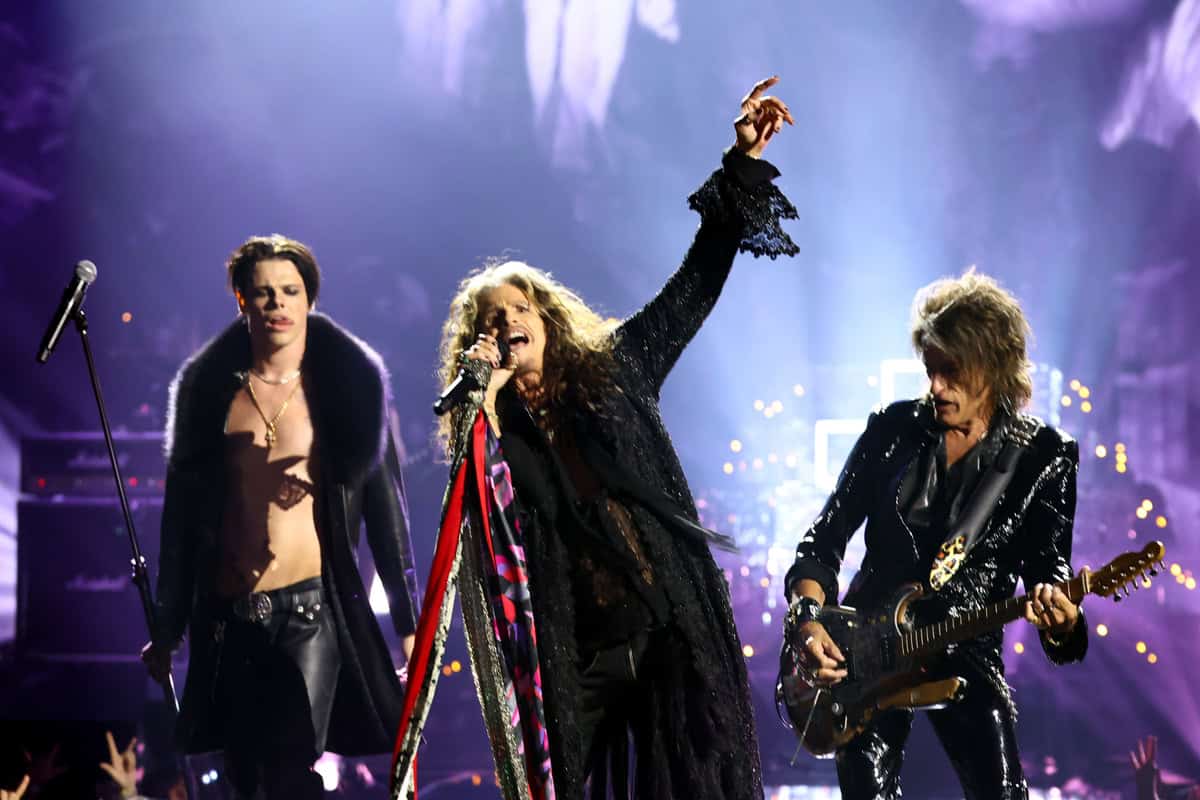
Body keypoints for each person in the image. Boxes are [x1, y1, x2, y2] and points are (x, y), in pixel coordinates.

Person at [392, 77, 798, 799]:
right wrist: (481, 401)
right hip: (579, 659)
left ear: (546, 317)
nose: (504, 323)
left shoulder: (619, 371)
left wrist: (739, 165)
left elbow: (693, 285)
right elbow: (473, 519)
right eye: (487, 321)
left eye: (516, 308)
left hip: (667, 628)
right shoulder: (496, 436)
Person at [784, 270, 1088, 800]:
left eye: (952, 372)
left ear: (993, 368)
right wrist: (807, 621)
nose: (936, 387)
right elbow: (823, 542)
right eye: (931, 370)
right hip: (867, 652)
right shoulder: (891, 431)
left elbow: (1049, 569)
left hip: (967, 651)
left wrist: (1062, 619)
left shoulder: (1044, 458)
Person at [141, 235, 420, 799]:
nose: (278, 304)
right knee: (245, 782)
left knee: (290, 770)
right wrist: (168, 629)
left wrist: (411, 631)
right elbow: (180, 525)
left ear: (309, 300)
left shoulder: (348, 392)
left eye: (290, 291)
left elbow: (389, 521)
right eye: (264, 293)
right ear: (242, 301)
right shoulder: (207, 396)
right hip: (229, 621)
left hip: (311, 617)